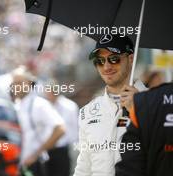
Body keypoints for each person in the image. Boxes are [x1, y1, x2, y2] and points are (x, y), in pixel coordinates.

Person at [73, 34, 147, 176]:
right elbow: (84, 165)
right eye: (99, 61)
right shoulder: (87, 111)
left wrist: (141, 111)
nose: (106, 66)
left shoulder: (157, 103)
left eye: (114, 58)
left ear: (130, 59)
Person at [10, 67, 65, 176]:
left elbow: (60, 129)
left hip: (34, 165)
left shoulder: (39, 104)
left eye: (20, 83)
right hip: (19, 165)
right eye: (14, 83)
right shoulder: (16, 105)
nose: (16, 87)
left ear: (30, 83)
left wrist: (36, 154)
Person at [115, 82, 173, 176]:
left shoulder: (145, 101)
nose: (106, 67)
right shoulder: (145, 102)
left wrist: (139, 106)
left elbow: (130, 167)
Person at [45, 83, 79, 176]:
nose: (47, 95)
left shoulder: (70, 106)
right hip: (48, 148)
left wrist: (74, 147)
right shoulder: (45, 106)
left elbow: (75, 127)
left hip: (64, 148)